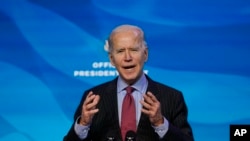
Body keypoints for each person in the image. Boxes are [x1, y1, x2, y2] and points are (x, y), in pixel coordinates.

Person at [63, 24, 194, 141]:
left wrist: (160, 123)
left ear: (145, 54)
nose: (127, 58)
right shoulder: (93, 98)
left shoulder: (172, 97)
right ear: (112, 59)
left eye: (134, 50)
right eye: (120, 51)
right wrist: (83, 124)